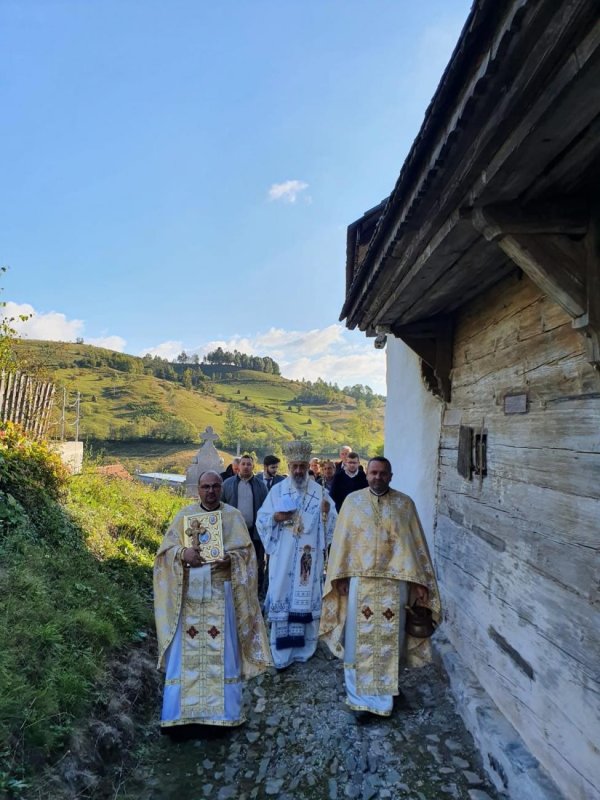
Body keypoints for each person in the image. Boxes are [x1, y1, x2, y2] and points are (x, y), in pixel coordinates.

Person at [320, 457, 441, 720]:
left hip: (394, 584)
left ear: (390, 475)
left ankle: (386, 696)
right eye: (373, 472)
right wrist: (338, 575)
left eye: (382, 473)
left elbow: (416, 546)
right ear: (367, 474)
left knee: (389, 640)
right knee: (357, 640)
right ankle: (359, 700)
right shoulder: (353, 502)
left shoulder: (404, 505)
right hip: (360, 583)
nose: (377, 477)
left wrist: (420, 583)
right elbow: (342, 542)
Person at [154, 471, 271, 733]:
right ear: (198, 490)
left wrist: (232, 560)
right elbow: (164, 554)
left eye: (215, 486)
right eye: (205, 487)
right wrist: (183, 553)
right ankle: (181, 716)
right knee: (188, 652)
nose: (210, 491)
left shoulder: (233, 516)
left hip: (222, 592)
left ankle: (223, 715)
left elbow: (248, 555)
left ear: (222, 488)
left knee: (223, 650)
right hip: (190, 595)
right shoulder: (184, 516)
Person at [256, 440, 337, 669]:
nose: (299, 471)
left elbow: (333, 525)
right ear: (289, 467)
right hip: (282, 558)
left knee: (306, 597)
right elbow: (262, 519)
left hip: (308, 558)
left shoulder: (320, 492)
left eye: (303, 466)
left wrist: (327, 513)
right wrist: (276, 518)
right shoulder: (278, 491)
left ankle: (304, 648)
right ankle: (281, 652)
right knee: (282, 596)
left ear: (309, 467)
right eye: (295, 466)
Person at [221, 455, 268, 594]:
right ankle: (235, 590)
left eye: (249, 464)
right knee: (234, 560)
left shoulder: (261, 486)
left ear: (253, 467)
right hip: (233, 531)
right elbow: (220, 506)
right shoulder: (228, 484)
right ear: (238, 466)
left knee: (256, 561)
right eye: (244, 464)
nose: (246, 466)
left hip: (254, 531)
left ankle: (255, 590)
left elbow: (266, 508)